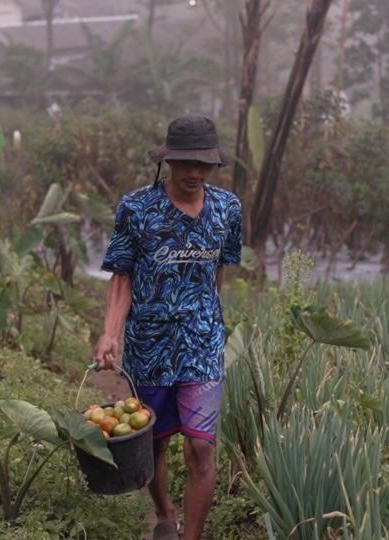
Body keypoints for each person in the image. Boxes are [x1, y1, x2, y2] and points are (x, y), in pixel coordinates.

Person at [92, 113, 242, 540]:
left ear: (214, 164)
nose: (195, 172)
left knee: (200, 448)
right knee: (152, 442)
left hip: (202, 342)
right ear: (168, 161)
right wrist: (110, 334)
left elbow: (218, 274)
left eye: (204, 164)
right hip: (149, 344)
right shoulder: (136, 209)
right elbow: (122, 277)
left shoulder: (227, 209)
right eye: (185, 163)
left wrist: (208, 319)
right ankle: (165, 515)